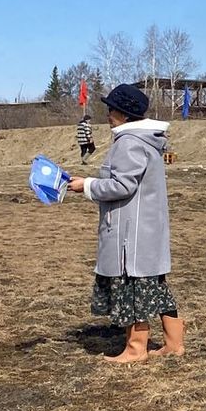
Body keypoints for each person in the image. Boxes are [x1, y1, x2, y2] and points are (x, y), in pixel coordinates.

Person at [66, 84, 186, 363]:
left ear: (125, 114)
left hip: (131, 234)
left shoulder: (129, 142)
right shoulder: (145, 140)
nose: (108, 114)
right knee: (155, 287)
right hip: (146, 230)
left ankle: (136, 348)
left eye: (112, 109)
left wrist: (87, 185)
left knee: (132, 289)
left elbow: (122, 186)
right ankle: (174, 343)